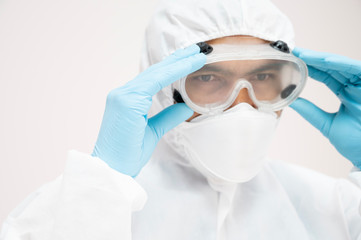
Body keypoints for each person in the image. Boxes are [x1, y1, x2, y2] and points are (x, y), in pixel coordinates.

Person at [1, 0, 361, 239]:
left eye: (264, 77)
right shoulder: (82, 206)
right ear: (163, 88)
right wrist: (102, 185)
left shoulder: (332, 206)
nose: (241, 104)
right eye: (207, 77)